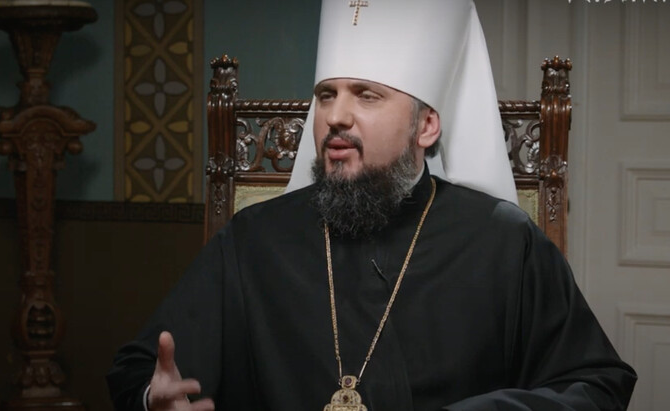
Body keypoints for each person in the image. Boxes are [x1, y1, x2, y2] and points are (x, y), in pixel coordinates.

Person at [107, 1, 636, 410]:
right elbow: (141, 368)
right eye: (326, 95)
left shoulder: (503, 241)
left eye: (366, 94)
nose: (335, 116)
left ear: (426, 126)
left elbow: (596, 383)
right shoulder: (254, 240)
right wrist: (154, 400)